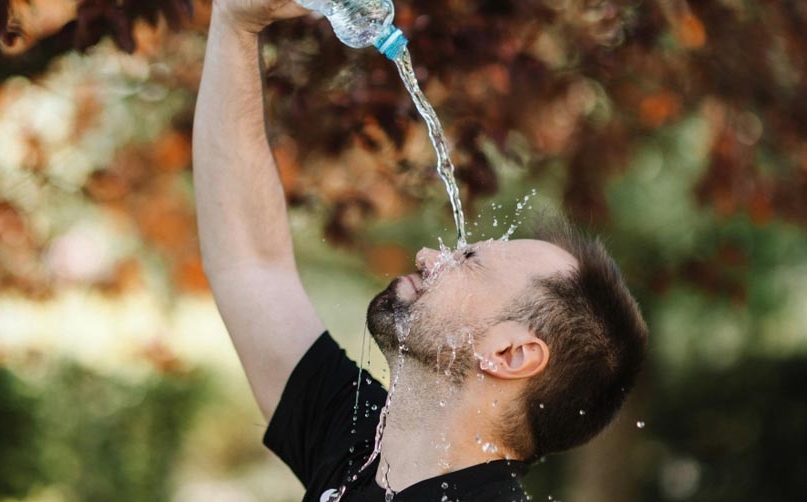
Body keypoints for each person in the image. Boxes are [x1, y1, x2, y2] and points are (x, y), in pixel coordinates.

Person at [192, 1, 649, 500]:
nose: (430, 257)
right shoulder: (360, 445)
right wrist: (236, 22)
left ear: (511, 353)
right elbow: (251, 266)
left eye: (468, 261)